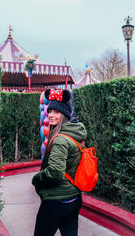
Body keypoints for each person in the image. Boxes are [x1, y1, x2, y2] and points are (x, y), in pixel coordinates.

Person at [32, 89, 86, 236]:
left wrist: (36, 178)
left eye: (56, 112)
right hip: (73, 198)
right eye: (50, 111)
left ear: (65, 115)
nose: (50, 115)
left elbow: (55, 172)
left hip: (56, 202)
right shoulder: (76, 133)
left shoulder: (61, 139)